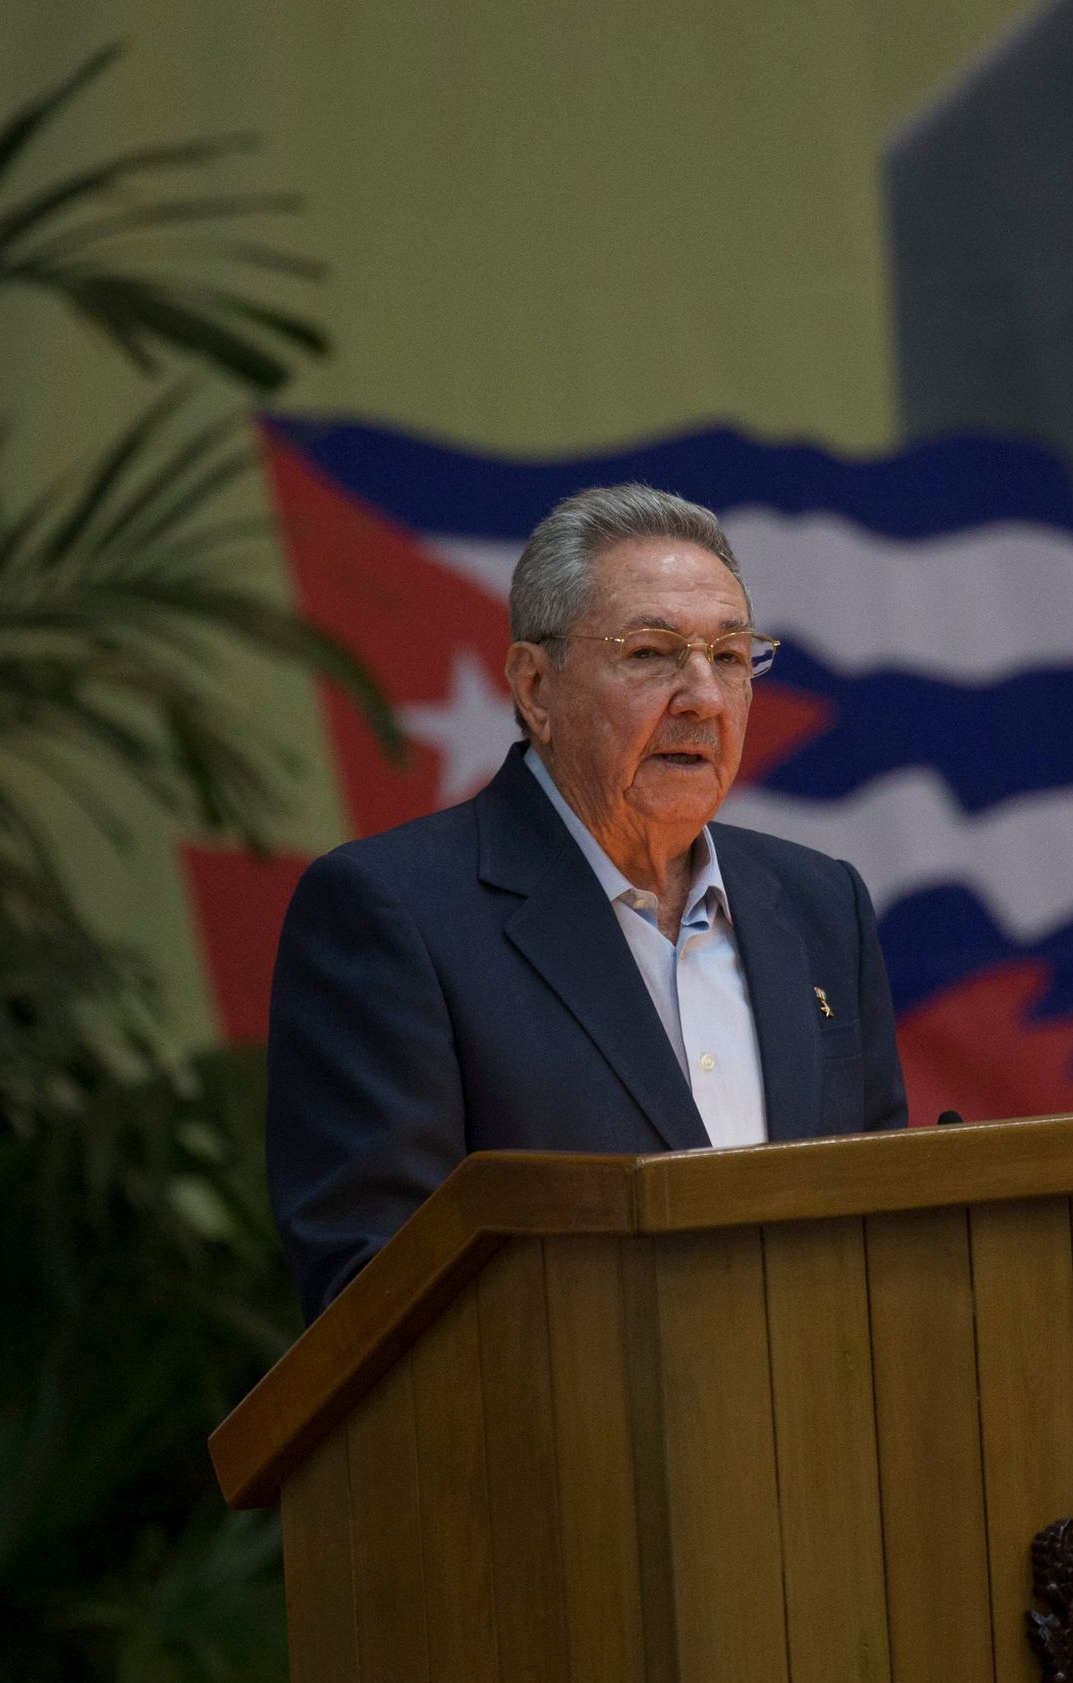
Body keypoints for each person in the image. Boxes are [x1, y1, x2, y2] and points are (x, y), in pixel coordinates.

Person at [265, 484, 910, 1316]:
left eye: (729, 656)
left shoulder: (823, 904)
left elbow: (893, 1228)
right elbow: (376, 1293)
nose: (704, 697)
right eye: (650, 653)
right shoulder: (392, 913)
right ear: (535, 687)